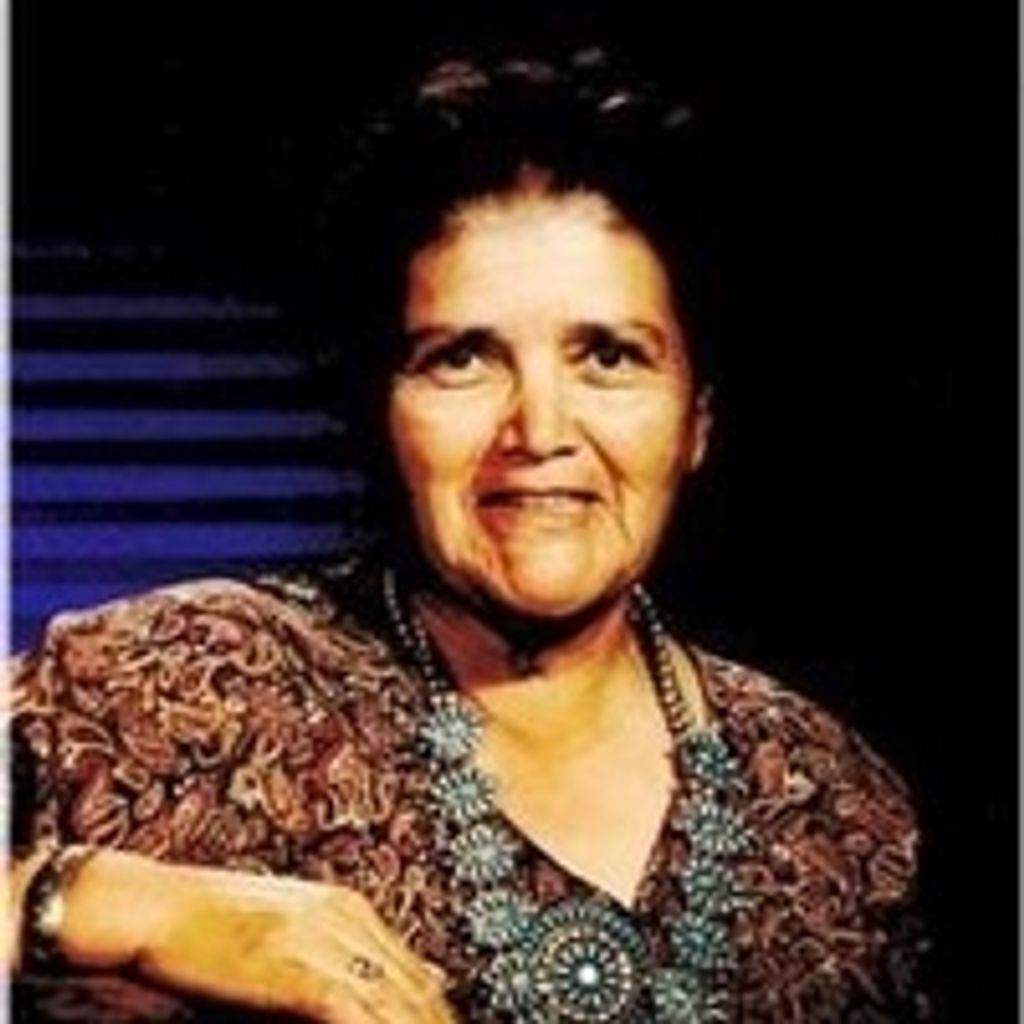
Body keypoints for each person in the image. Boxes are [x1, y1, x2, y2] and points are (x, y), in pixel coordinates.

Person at [6, 48, 930, 1022]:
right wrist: (104, 906)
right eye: (462, 358)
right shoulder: (169, 687)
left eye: (609, 356)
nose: (539, 431)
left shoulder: (833, 804)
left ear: (695, 420)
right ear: (387, 410)